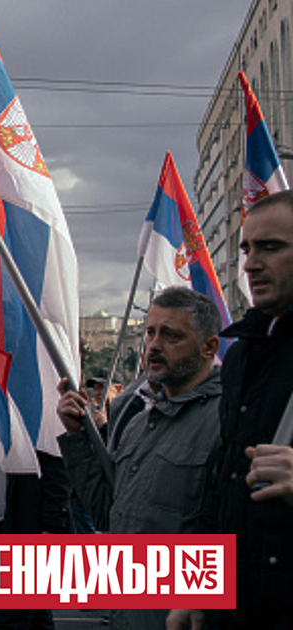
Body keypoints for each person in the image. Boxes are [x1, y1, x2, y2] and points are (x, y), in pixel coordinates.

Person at [59, 287, 222, 630]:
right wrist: (77, 437)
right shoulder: (137, 422)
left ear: (209, 347)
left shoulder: (227, 423)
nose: (154, 346)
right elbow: (109, 512)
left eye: (171, 335)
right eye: (150, 332)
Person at [171, 190, 293, 630]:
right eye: (247, 248)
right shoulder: (244, 354)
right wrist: (196, 590)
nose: (251, 264)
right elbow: (222, 487)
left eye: (272, 247)